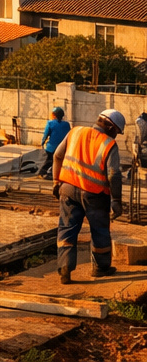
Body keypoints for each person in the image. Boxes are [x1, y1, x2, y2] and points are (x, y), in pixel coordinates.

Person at [53, 108, 126, 283]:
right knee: (99, 231)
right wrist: (116, 200)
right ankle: (100, 268)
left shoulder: (75, 132)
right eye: (117, 132)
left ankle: (65, 269)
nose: (116, 135)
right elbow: (114, 174)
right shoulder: (109, 144)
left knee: (67, 229)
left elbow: (57, 155)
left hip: (68, 189)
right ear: (111, 128)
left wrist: (56, 182)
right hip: (95, 195)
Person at [41, 106, 71, 179]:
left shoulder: (50, 123)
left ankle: (43, 172)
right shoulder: (67, 124)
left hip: (52, 147)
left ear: (54, 115)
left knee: (49, 160)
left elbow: (46, 134)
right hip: (63, 147)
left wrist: (42, 142)